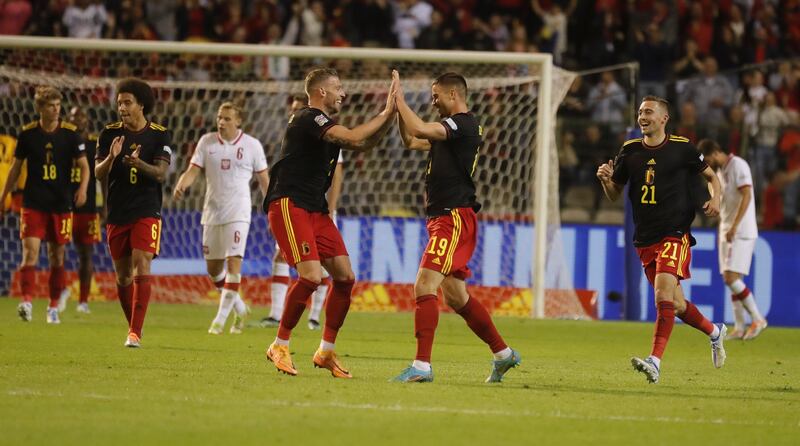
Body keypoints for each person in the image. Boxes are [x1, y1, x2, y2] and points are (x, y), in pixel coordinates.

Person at [264, 68, 396, 378]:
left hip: (315, 209)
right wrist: (387, 110)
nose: (343, 93)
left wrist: (392, 115)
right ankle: (279, 344)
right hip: (289, 203)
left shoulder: (326, 125)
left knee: (345, 277)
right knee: (310, 277)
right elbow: (352, 136)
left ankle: (325, 350)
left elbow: (361, 144)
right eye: (338, 87)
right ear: (321, 92)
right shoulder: (309, 117)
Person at [390, 70, 520, 383]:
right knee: (456, 297)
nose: (433, 102)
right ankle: (503, 354)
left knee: (424, 286)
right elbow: (410, 138)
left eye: (436, 96)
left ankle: (422, 366)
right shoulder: (447, 132)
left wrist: (400, 99)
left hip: (453, 218)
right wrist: (397, 110)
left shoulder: (464, 124)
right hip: (441, 218)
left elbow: (418, 126)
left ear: (453, 95)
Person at [596, 95, 726, 384]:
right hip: (645, 238)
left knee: (661, 296)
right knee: (677, 304)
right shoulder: (629, 150)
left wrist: (716, 199)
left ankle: (655, 361)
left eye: (649, 112)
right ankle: (715, 332)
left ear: (664, 118)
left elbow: (712, 177)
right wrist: (606, 180)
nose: (643, 116)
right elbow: (615, 194)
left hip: (675, 232)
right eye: (641, 112)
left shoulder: (683, 148)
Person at [173, 102, 270, 335]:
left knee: (234, 263)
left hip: (238, 212)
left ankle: (219, 321)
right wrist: (182, 184)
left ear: (238, 121)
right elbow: (193, 170)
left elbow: (265, 181)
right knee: (214, 269)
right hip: (212, 213)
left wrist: (272, 211)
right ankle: (239, 307)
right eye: (219, 117)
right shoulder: (206, 142)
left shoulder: (252, 146)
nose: (221, 122)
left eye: (227, 118)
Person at [0, 86, 89, 324]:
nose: (56, 109)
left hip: (61, 204)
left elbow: (84, 166)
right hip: (34, 202)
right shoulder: (28, 134)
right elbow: (15, 168)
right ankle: (26, 301)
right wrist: (3, 195)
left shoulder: (70, 134)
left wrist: (81, 189)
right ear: (40, 108)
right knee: (29, 253)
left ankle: (52, 307)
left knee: (56, 257)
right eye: (51, 105)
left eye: (58, 105)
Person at [95, 78, 172, 348]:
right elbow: (98, 173)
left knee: (143, 261)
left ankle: (135, 333)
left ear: (141, 105)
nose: (122, 108)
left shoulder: (159, 134)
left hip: (146, 208)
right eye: (119, 103)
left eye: (127, 102)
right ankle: (133, 328)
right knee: (123, 276)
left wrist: (138, 163)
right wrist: (111, 157)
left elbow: (161, 174)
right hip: (117, 211)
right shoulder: (108, 134)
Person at [262, 94, 345, 331]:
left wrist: (331, 208)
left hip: (320, 209)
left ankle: (314, 316)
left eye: (300, 108)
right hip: (294, 206)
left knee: (323, 268)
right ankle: (276, 314)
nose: (296, 113)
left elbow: (337, 173)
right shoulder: (298, 134)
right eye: (294, 109)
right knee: (297, 264)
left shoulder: (331, 133)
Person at [699, 139, 767, 340]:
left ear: (715, 152)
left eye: (708, 159)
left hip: (741, 230)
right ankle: (739, 327)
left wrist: (735, 225)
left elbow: (747, 195)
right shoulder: (719, 173)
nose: (708, 164)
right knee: (731, 280)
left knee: (731, 278)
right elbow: (719, 201)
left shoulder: (738, 164)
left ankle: (758, 318)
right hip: (726, 230)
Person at [58, 105, 101, 314]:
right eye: (74, 116)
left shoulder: (95, 144)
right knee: (59, 252)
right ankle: (63, 289)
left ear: (87, 120)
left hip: (89, 208)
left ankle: (83, 301)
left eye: (81, 115)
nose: (78, 120)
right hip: (63, 205)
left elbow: (105, 177)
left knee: (87, 254)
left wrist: (107, 207)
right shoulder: (62, 141)